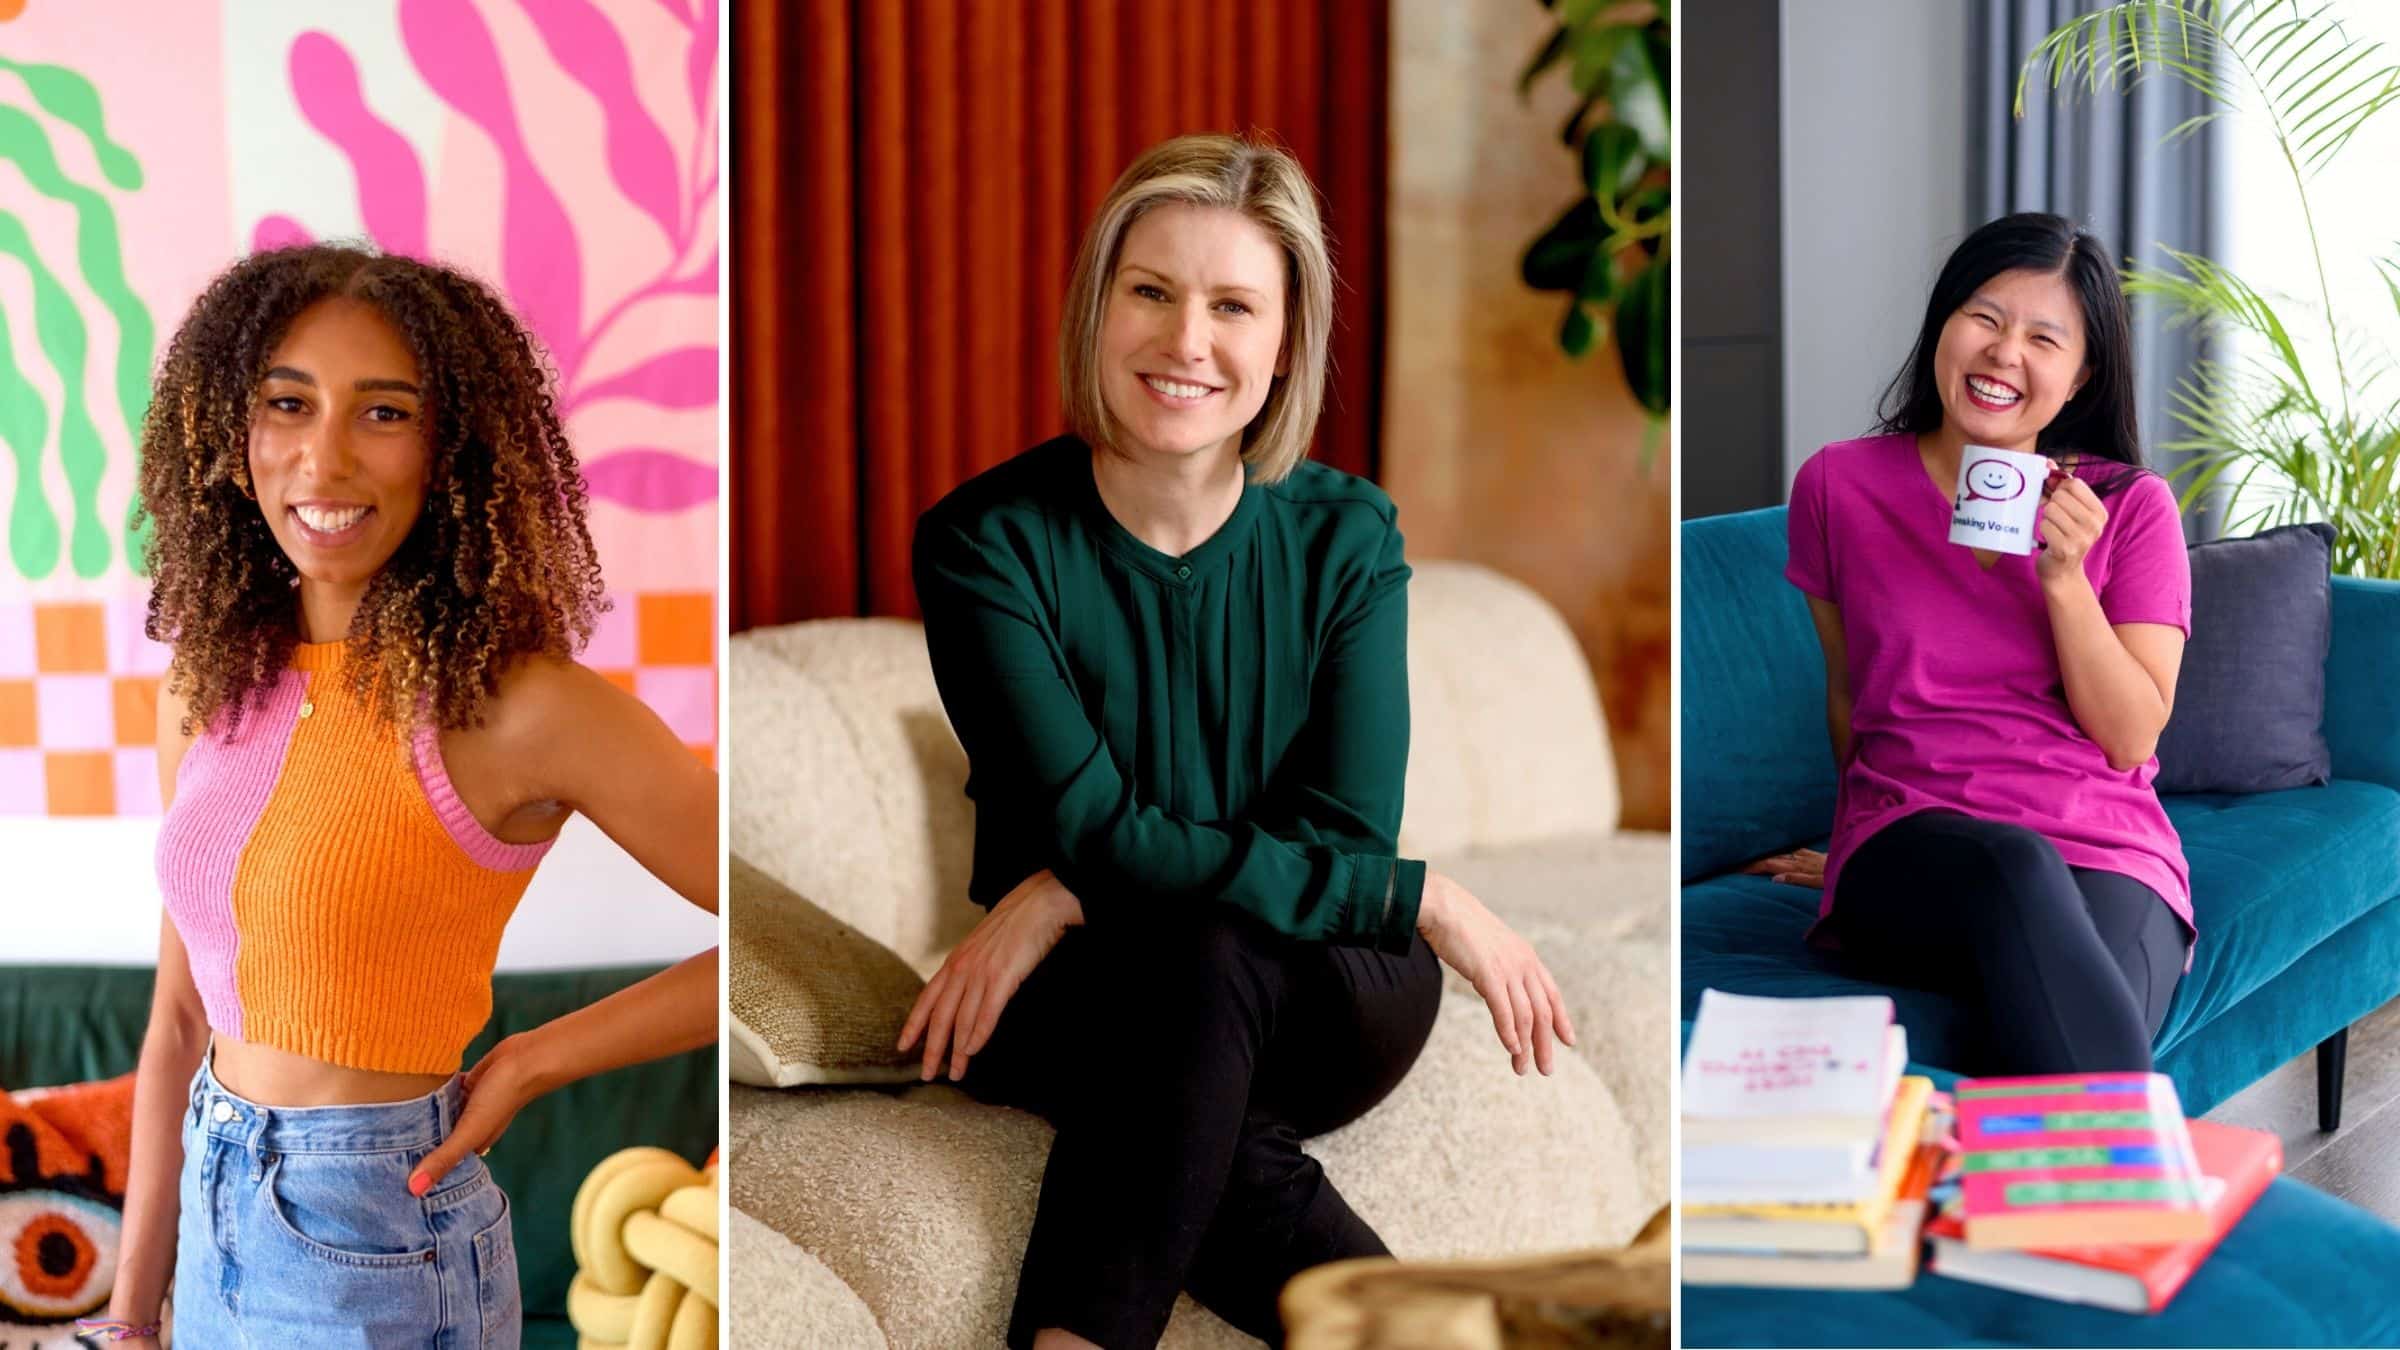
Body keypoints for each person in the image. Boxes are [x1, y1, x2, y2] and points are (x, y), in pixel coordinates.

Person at [898, 132, 1576, 1350]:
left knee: (1205, 957)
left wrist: (1066, 888)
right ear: (1098, 307)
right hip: (1086, 998)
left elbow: (1338, 829)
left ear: (1283, 342)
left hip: (1331, 984)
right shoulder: (985, 544)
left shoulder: (1348, 538)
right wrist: (1419, 899)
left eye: (1232, 305)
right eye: (1151, 291)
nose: (1186, 342)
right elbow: (1096, 827)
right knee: (1201, 1068)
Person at [80, 244, 718, 1349]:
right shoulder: (206, 686)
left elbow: (775, 928)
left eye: (384, 413)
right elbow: (181, 1016)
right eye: (288, 403)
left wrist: (533, 1056)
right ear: (234, 434)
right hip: (210, 1212)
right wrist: (132, 1314)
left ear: (450, 449)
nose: (323, 458)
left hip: (375, 1237)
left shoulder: (519, 705)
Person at [1746, 212, 2193, 1076]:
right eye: (1984, 318)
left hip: (2107, 846)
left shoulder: (2132, 510)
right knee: (2015, 871)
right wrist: (1851, 844)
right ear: (1943, 326)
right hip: (1915, 839)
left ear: (2081, 374)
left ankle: (2060, 1202)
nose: (2003, 353)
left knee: (2061, 1022)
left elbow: (2131, 736)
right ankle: (2156, 1195)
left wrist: (2065, 580)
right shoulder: (1840, 485)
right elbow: (1850, 695)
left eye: (2042, 337)